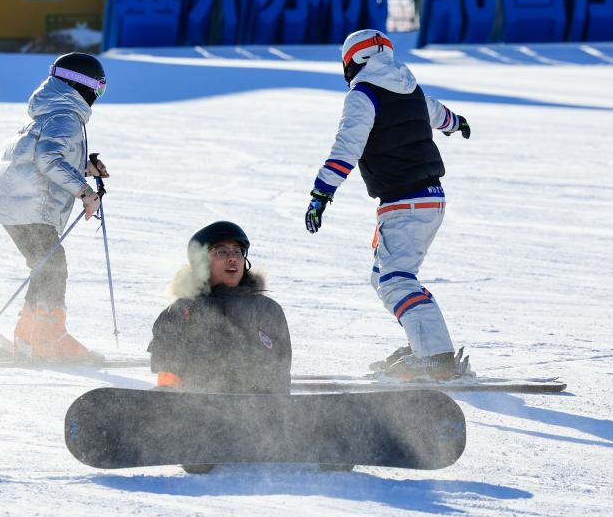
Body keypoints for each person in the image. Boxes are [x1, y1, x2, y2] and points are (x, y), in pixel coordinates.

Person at [303, 29, 472, 380]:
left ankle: (437, 359)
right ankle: (425, 345)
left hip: (404, 201)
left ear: (353, 60)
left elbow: (346, 148)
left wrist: (321, 193)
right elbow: (436, 112)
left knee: (396, 281)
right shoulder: (411, 88)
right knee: (384, 276)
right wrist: (456, 123)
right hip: (428, 198)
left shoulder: (363, 94)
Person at [0, 52, 110, 362]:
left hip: (16, 204)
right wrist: (85, 192)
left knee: (45, 266)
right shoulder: (65, 117)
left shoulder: (50, 111)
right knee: (52, 266)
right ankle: (48, 340)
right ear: (80, 84)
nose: (97, 96)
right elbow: (48, 160)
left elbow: (41, 156)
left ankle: (28, 337)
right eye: (98, 88)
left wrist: (85, 168)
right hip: (31, 205)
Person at [148, 221, 292, 394]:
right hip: (195, 408)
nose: (232, 258)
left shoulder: (268, 311)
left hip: (259, 409)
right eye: (221, 252)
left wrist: (278, 406)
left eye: (238, 251)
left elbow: (281, 378)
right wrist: (168, 397)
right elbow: (166, 388)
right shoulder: (183, 312)